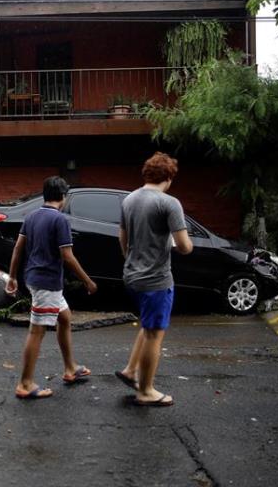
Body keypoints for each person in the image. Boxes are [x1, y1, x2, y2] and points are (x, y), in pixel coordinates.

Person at [6, 176, 98, 400]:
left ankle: (70, 368)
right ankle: (25, 384)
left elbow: (18, 248)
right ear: (63, 197)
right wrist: (87, 281)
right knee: (36, 331)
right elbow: (67, 256)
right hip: (46, 283)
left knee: (64, 318)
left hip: (34, 278)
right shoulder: (60, 220)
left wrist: (12, 277)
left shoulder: (32, 216)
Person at [115, 152, 193, 407]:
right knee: (154, 334)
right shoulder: (169, 203)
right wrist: (187, 244)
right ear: (169, 177)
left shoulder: (129, 199)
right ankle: (146, 390)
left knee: (147, 326)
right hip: (156, 279)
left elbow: (122, 237)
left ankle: (130, 370)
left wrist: (131, 259)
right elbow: (184, 246)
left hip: (131, 275)